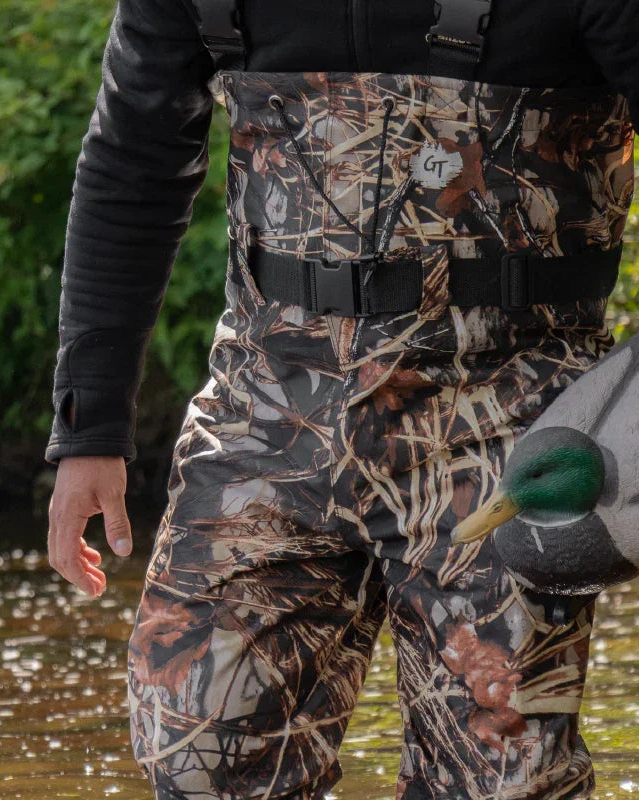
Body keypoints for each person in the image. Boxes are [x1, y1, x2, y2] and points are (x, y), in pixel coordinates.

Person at [45, 0, 639, 797]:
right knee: (199, 762)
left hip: (506, 417)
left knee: (499, 784)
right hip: (263, 405)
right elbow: (130, 163)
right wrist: (91, 427)